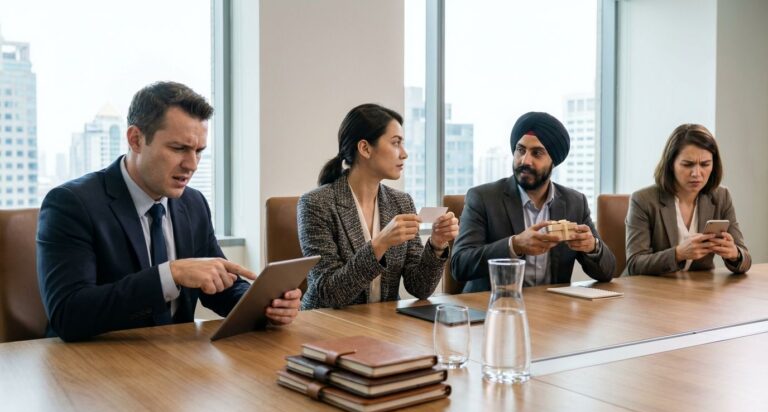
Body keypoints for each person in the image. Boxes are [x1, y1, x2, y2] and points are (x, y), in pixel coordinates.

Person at [37, 81, 301, 342]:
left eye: (199, 151)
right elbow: (68, 314)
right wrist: (169, 275)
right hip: (96, 367)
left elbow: (218, 287)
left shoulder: (193, 203)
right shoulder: (71, 204)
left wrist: (265, 306)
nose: (192, 164)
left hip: (174, 360)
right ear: (136, 139)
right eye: (179, 149)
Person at [298, 103, 459, 310]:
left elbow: (420, 287)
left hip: (383, 325)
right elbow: (329, 293)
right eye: (395, 143)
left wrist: (436, 245)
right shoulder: (316, 204)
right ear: (365, 148)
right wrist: (379, 244)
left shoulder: (401, 202)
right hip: (326, 326)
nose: (404, 153)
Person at [451, 112, 616, 292]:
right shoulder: (482, 198)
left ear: (554, 160)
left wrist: (592, 247)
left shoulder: (575, 202)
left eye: (537, 153)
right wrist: (514, 245)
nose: (525, 160)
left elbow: (607, 272)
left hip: (552, 311)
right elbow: (460, 265)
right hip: (494, 308)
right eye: (520, 150)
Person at [625, 124, 751, 275]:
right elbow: (634, 265)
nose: (697, 173)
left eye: (705, 164)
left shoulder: (721, 197)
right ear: (671, 164)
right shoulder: (643, 200)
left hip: (698, 292)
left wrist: (735, 254)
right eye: (687, 164)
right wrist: (678, 254)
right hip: (650, 291)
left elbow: (746, 259)